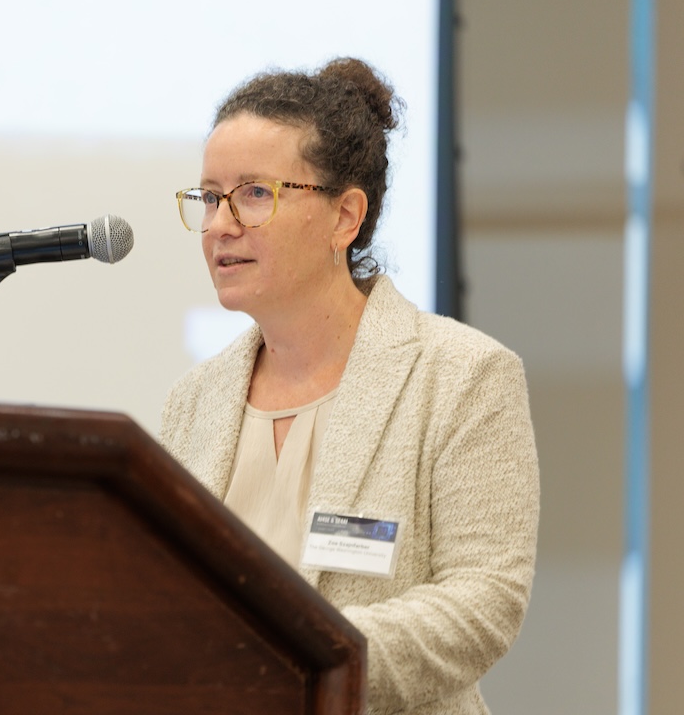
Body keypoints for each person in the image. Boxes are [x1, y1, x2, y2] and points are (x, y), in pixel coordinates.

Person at [160, 58, 539, 715]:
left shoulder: (461, 375)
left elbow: (484, 601)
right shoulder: (192, 402)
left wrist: (308, 662)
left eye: (254, 194)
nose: (220, 224)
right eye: (209, 196)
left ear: (346, 217)